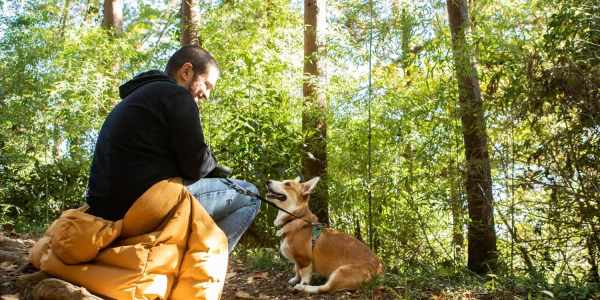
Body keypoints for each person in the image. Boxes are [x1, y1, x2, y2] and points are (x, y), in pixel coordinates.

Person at [85, 45, 260, 254]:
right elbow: (196, 166)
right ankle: (206, 268)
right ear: (186, 72)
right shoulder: (176, 96)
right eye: (207, 85)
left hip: (106, 211)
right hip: (139, 209)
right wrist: (213, 165)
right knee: (250, 194)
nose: (207, 95)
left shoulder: (139, 97)